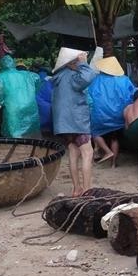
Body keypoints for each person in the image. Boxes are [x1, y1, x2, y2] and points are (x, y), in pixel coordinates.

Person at [52, 48, 98, 196]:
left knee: (73, 153)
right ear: (72, 63)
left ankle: (76, 188)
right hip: (77, 121)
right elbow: (88, 76)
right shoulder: (74, 76)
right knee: (87, 153)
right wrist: (84, 64)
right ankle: (86, 190)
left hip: (63, 123)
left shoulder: (59, 77)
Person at [88, 56, 136, 167]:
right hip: (118, 115)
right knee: (115, 138)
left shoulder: (95, 80)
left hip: (100, 114)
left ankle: (106, 151)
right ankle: (113, 164)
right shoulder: (124, 80)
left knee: (95, 133)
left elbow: (89, 96)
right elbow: (131, 95)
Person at [0, 55, 42, 138]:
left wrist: (1, 102)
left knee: (14, 130)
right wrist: (30, 95)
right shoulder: (29, 75)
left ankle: (15, 145)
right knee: (31, 127)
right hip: (30, 105)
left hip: (12, 106)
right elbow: (38, 83)